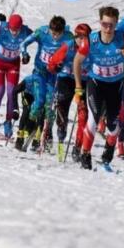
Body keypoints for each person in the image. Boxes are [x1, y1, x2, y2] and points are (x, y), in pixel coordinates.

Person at [73, 6, 124, 170]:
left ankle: (109, 148)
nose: (108, 28)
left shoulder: (123, 38)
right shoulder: (91, 40)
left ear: (116, 24)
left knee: (113, 124)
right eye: (104, 24)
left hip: (115, 85)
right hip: (96, 84)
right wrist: (78, 86)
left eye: (111, 25)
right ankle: (85, 154)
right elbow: (77, 61)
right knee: (93, 118)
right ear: (100, 22)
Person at [19, 15, 72, 152]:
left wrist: (63, 65)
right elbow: (23, 43)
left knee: (50, 108)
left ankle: (46, 136)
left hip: (54, 76)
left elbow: (73, 57)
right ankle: (26, 130)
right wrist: (24, 54)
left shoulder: (68, 38)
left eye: (58, 34)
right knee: (39, 101)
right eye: (53, 33)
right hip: (40, 72)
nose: (54, 37)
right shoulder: (42, 32)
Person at [0, 13, 32, 139]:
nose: (15, 32)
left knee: (12, 92)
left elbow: (37, 37)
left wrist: (26, 55)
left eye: (17, 30)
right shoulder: (3, 28)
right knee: (0, 90)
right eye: (12, 29)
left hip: (13, 65)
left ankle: (8, 122)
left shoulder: (25, 30)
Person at [48, 22, 91, 161]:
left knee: (83, 116)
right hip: (66, 79)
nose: (83, 41)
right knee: (62, 110)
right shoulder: (68, 46)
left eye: (86, 38)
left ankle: (77, 147)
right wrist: (56, 67)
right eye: (80, 37)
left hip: (83, 81)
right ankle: (61, 139)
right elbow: (51, 63)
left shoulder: (92, 48)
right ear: (75, 36)